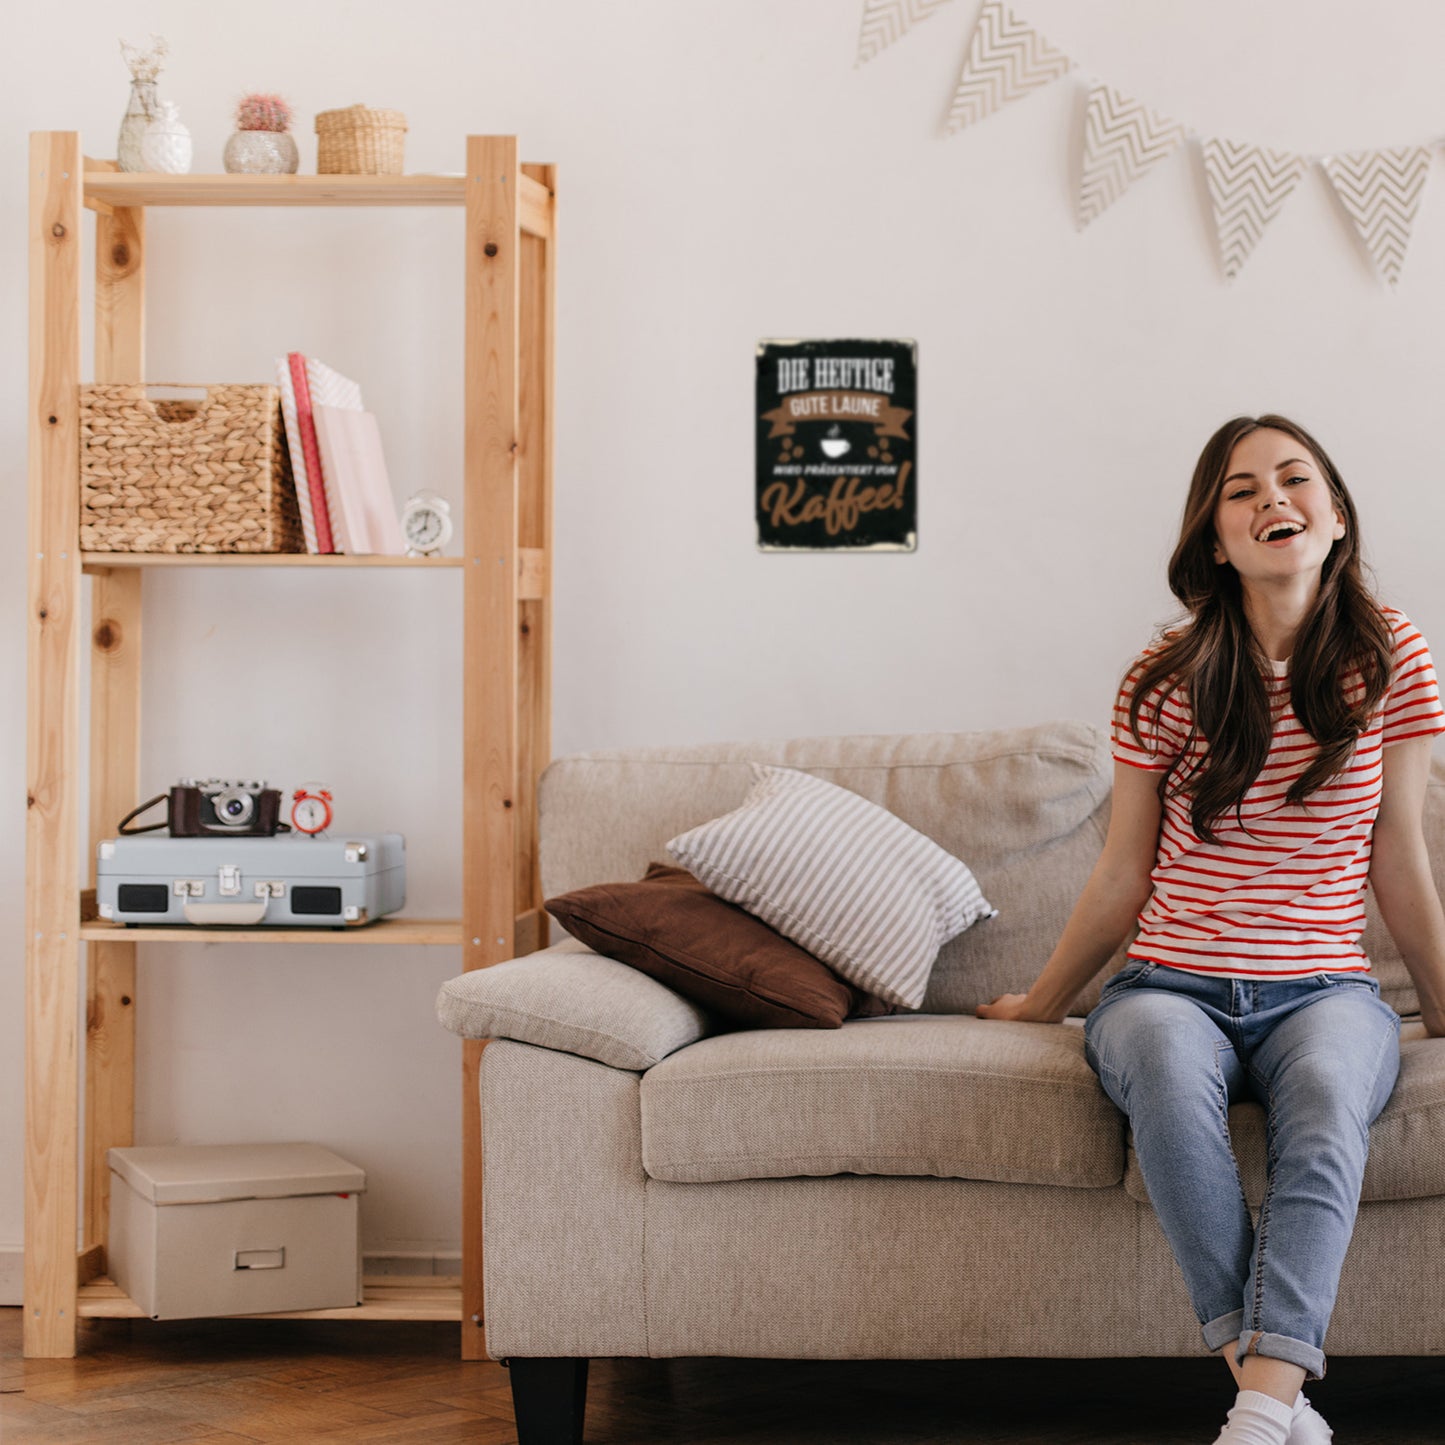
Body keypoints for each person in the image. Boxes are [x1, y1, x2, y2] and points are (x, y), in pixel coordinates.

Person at [976, 415, 1445, 1445]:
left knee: (1326, 1096)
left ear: (1332, 518)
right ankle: (1273, 1397)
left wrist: (1444, 1009)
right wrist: (1042, 1003)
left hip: (1323, 990)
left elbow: (1396, 853)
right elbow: (1122, 871)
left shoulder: (1390, 653)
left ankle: (1257, 1408)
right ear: (1213, 537)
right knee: (1157, 1070)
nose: (1271, 498)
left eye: (1293, 478)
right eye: (1241, 489)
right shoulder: (1164, 671)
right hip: (1165, 984)